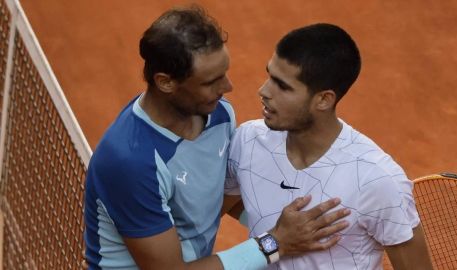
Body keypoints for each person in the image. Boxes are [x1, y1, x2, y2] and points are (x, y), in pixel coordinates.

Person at [83, 6, 351, 270]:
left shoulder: (218, 115)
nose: (227, 87)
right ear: (166, 82)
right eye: (211, 81)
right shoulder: (130, 162)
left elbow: (215, 201)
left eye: (224, 73)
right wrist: (276, 241)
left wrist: (306, 228)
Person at [225, 23, 433, 269]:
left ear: (324, 99)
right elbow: (215, 211)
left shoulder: (376, 180)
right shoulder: (248, 141)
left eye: (283, 86)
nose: (264, 91)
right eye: (270, 75)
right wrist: (282, 236)